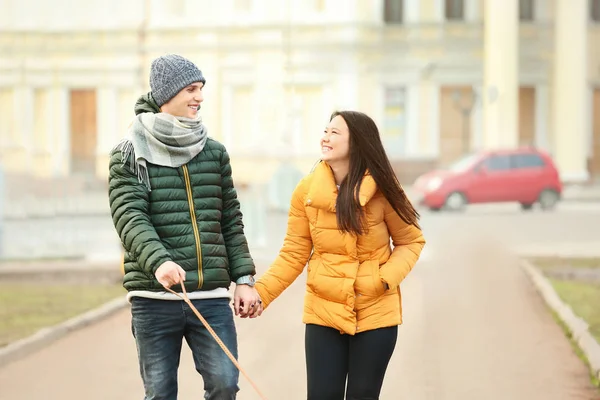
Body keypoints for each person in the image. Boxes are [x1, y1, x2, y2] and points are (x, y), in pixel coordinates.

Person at [108, 54, 261, 400]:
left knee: (225, 383)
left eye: (201, 89)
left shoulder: (214, 152)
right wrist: (159, 261)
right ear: (168, 93)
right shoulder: (130, 152)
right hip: (153, 297)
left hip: (209, 297)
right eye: (192, 89)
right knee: (160, 393)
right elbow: (129, 217)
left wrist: (245, 279)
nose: (200, 97)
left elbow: (230, 221)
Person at [254, 110, 426, 399]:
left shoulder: (384, 189)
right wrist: (261, 293)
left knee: (362, 394)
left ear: (357, 143)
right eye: (325, 130)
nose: (325, 137)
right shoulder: (306, 191)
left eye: (335, 132)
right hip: (324, 313)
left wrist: (382, 279)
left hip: (375, 315)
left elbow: (411, 241)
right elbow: (293, 253)